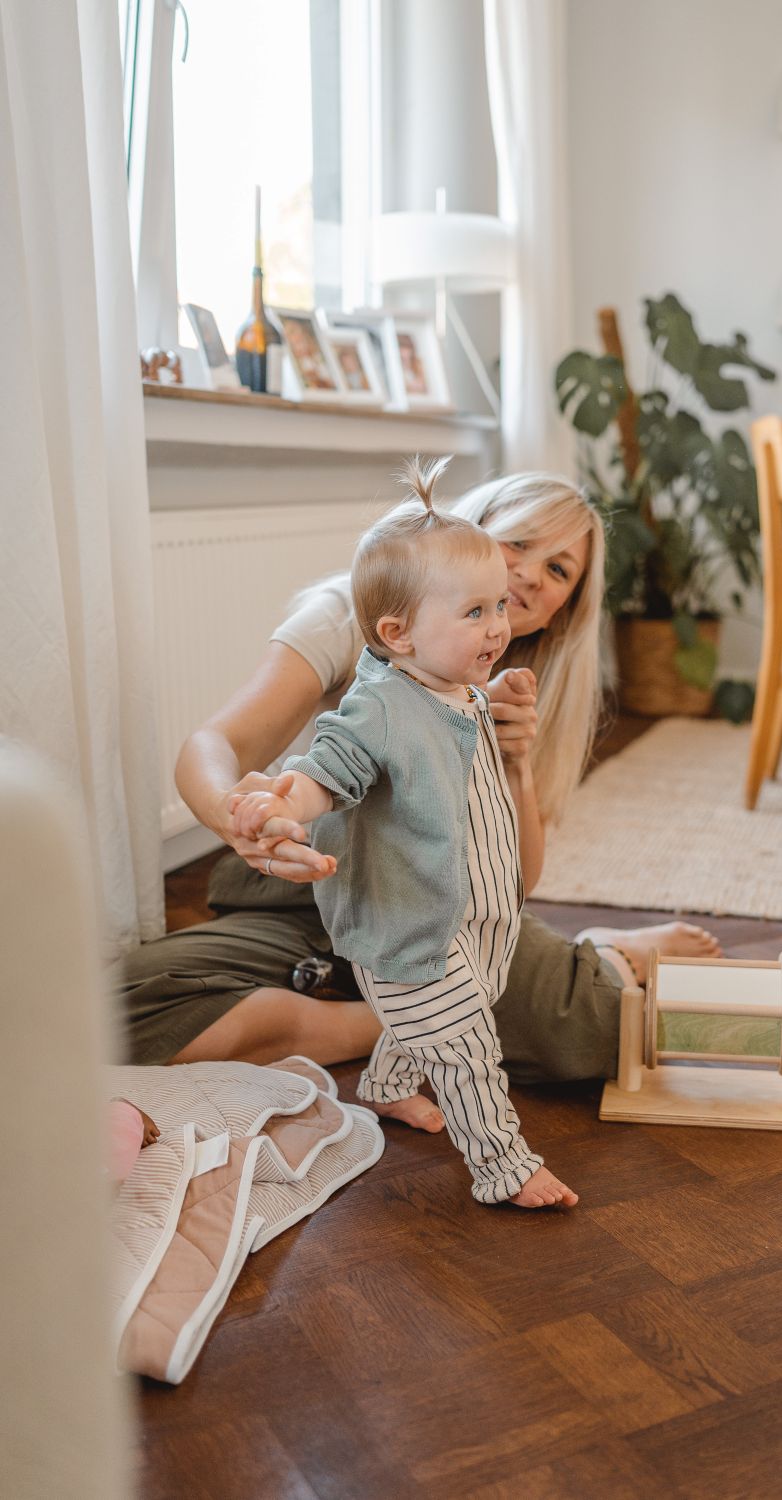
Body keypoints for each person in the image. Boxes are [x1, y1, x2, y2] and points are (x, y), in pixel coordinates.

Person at [118, 465, 719, 1078]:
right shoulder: (347, 616)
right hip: (309, 895)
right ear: (469, 534)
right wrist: (234, 815)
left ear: (562, 611)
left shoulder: (513, 678)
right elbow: (214, 741)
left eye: (559, 569)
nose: (531, 575)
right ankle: (412, 1022)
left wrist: (516, 765)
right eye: (519, 543)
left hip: (437, 916)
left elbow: (513, 885)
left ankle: (596, 959)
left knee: (596, 1027)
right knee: (121, 1012)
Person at [230, 459, 576, 1208]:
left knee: (459, 1008)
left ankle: (384, 1086)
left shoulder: (453, 688)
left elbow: (465, 754)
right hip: (409, 921)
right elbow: (331, 764)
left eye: (498, 608)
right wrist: (284, 803)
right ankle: (502, 1165)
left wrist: (499, 694)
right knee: (466, 1046)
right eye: (476, 613)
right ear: (398, 633)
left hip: (471, 914)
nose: (499, 626)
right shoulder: (381, 704)